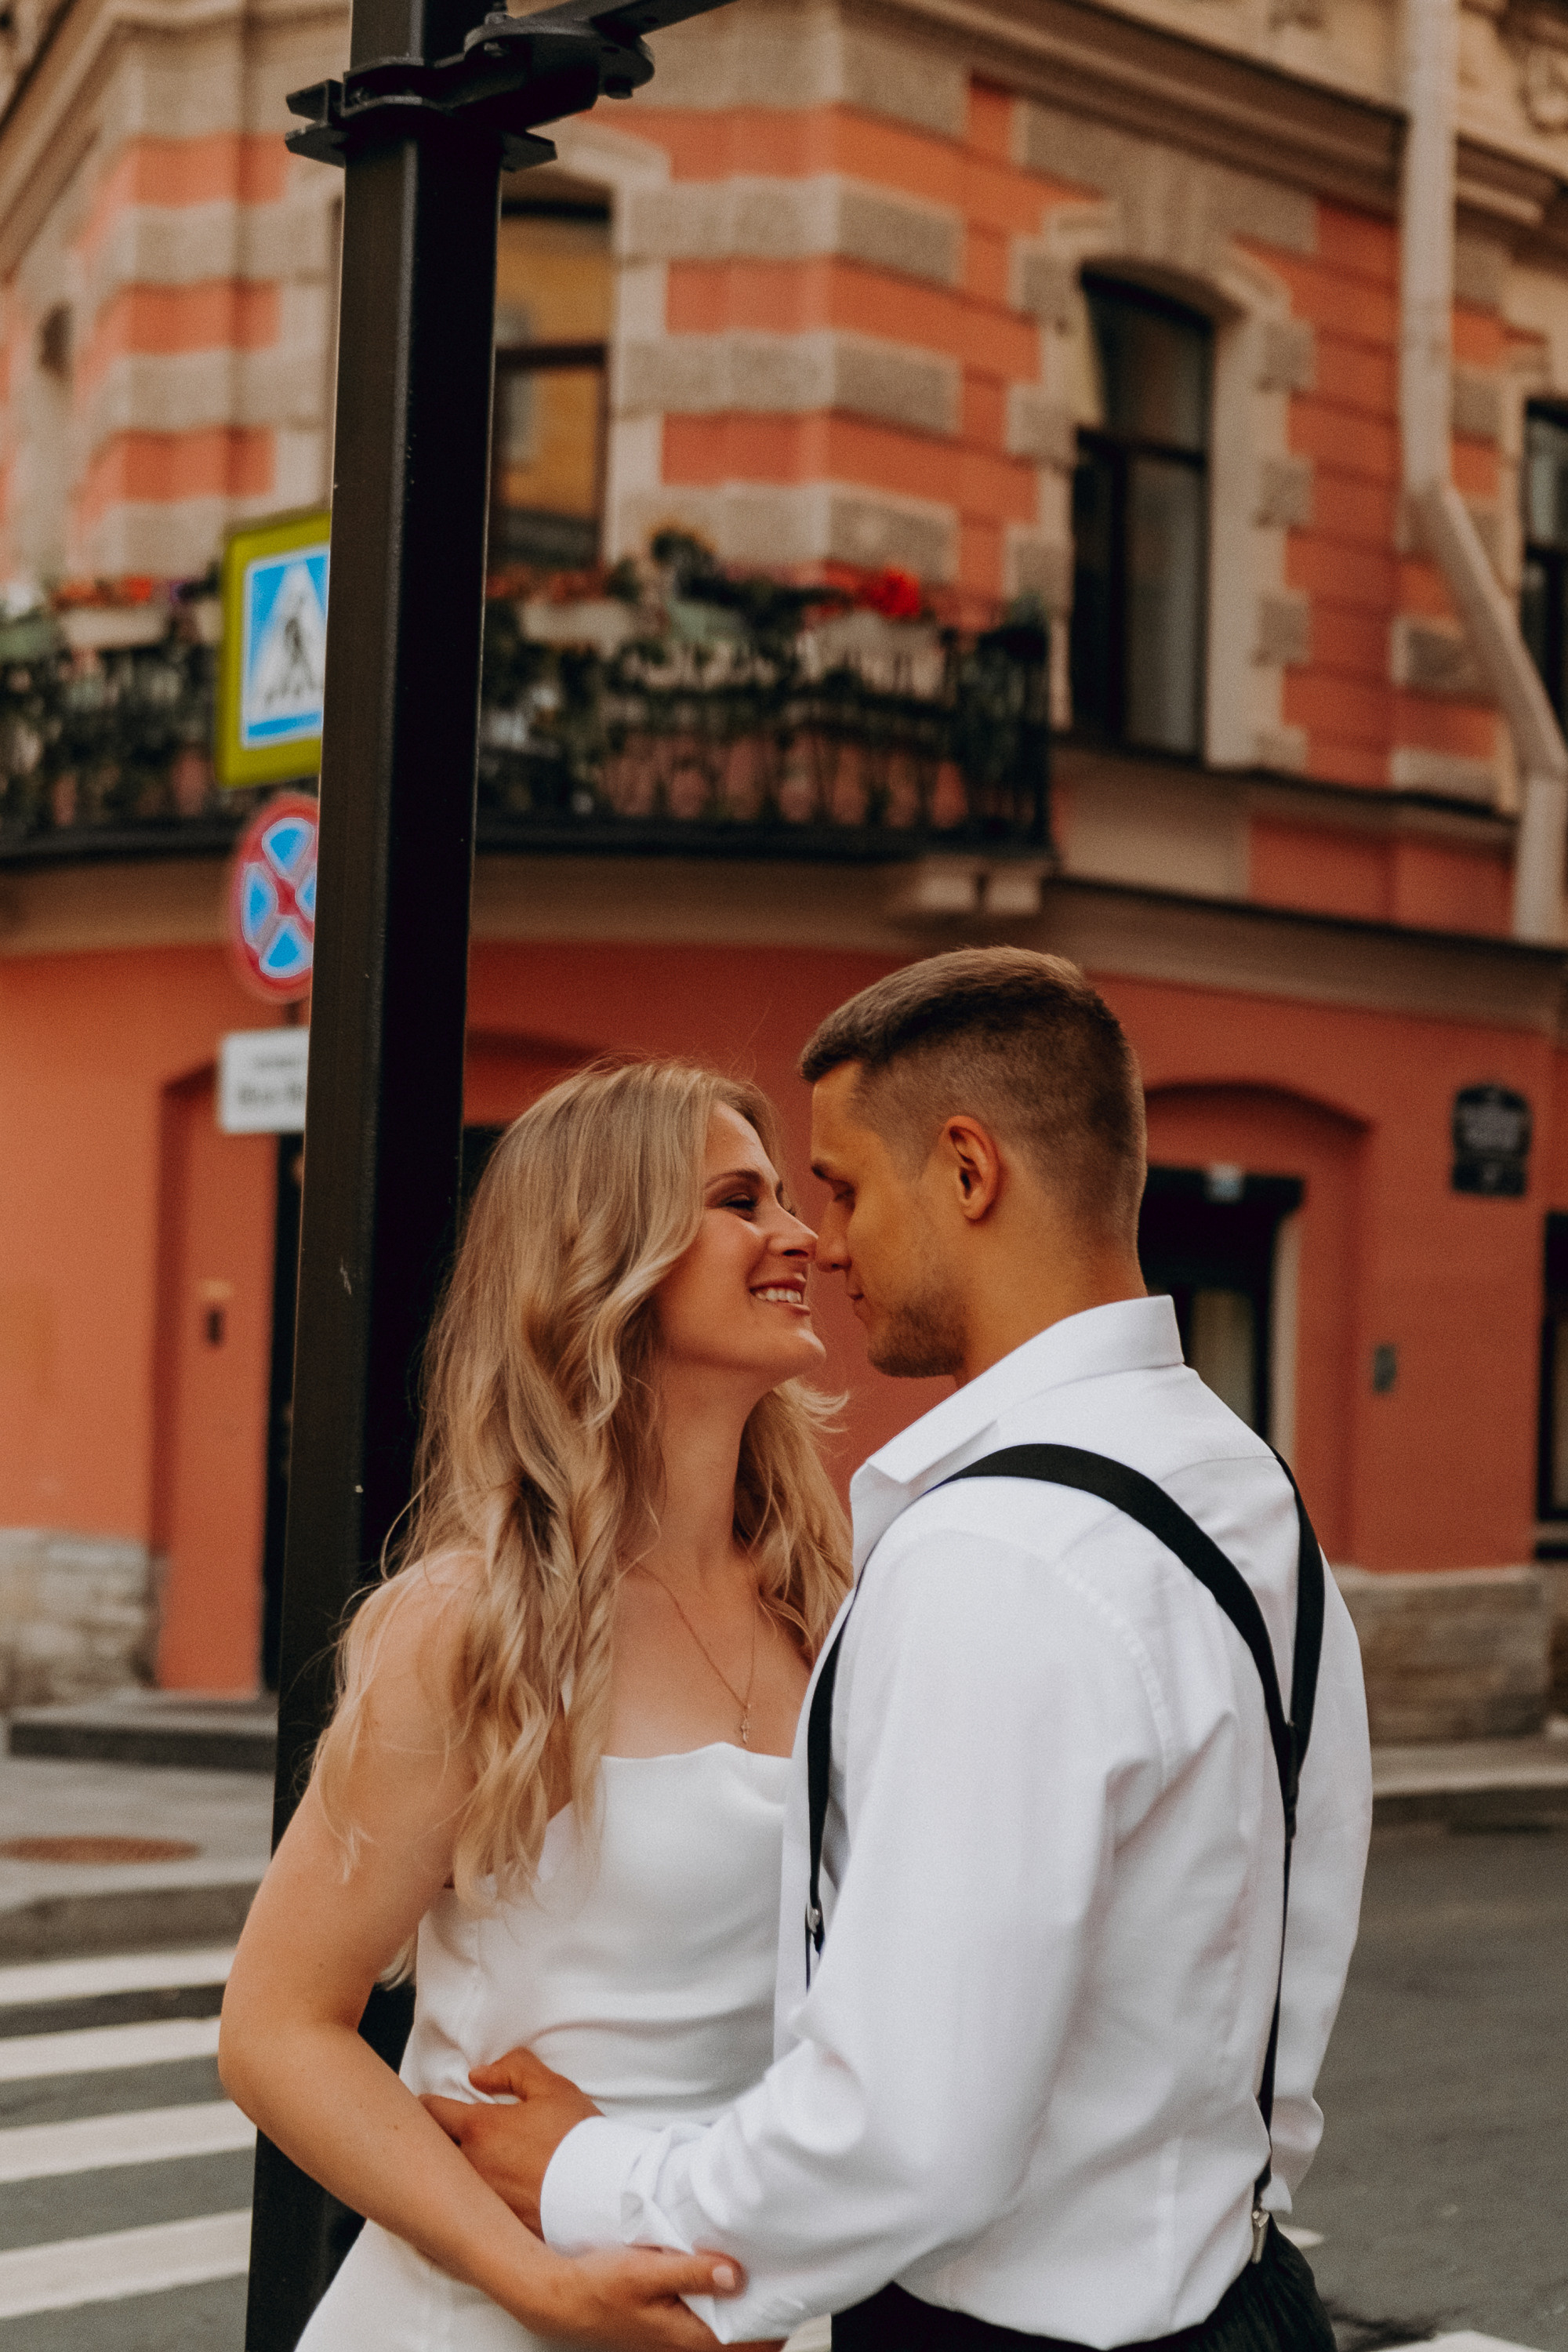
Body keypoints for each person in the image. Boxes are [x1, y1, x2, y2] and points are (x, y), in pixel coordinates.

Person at [436, 948, 1374, 2352]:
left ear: (968, 1171)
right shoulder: (1246, 1493)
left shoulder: (1000, 1555)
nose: (827, 1240)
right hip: (1236, 2293)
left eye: (846, 1189)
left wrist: (589, 2177)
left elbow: (899, 2135)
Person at [219, 1059, 851, 2350]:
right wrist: (537, 2282)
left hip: (756, 2309)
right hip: (493, 2313)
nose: (800, 1236)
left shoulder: (829, 1596)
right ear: (612, 1258)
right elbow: (277, 2029)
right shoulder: (479, 1625)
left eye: (788, 1197)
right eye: (742, 1201)